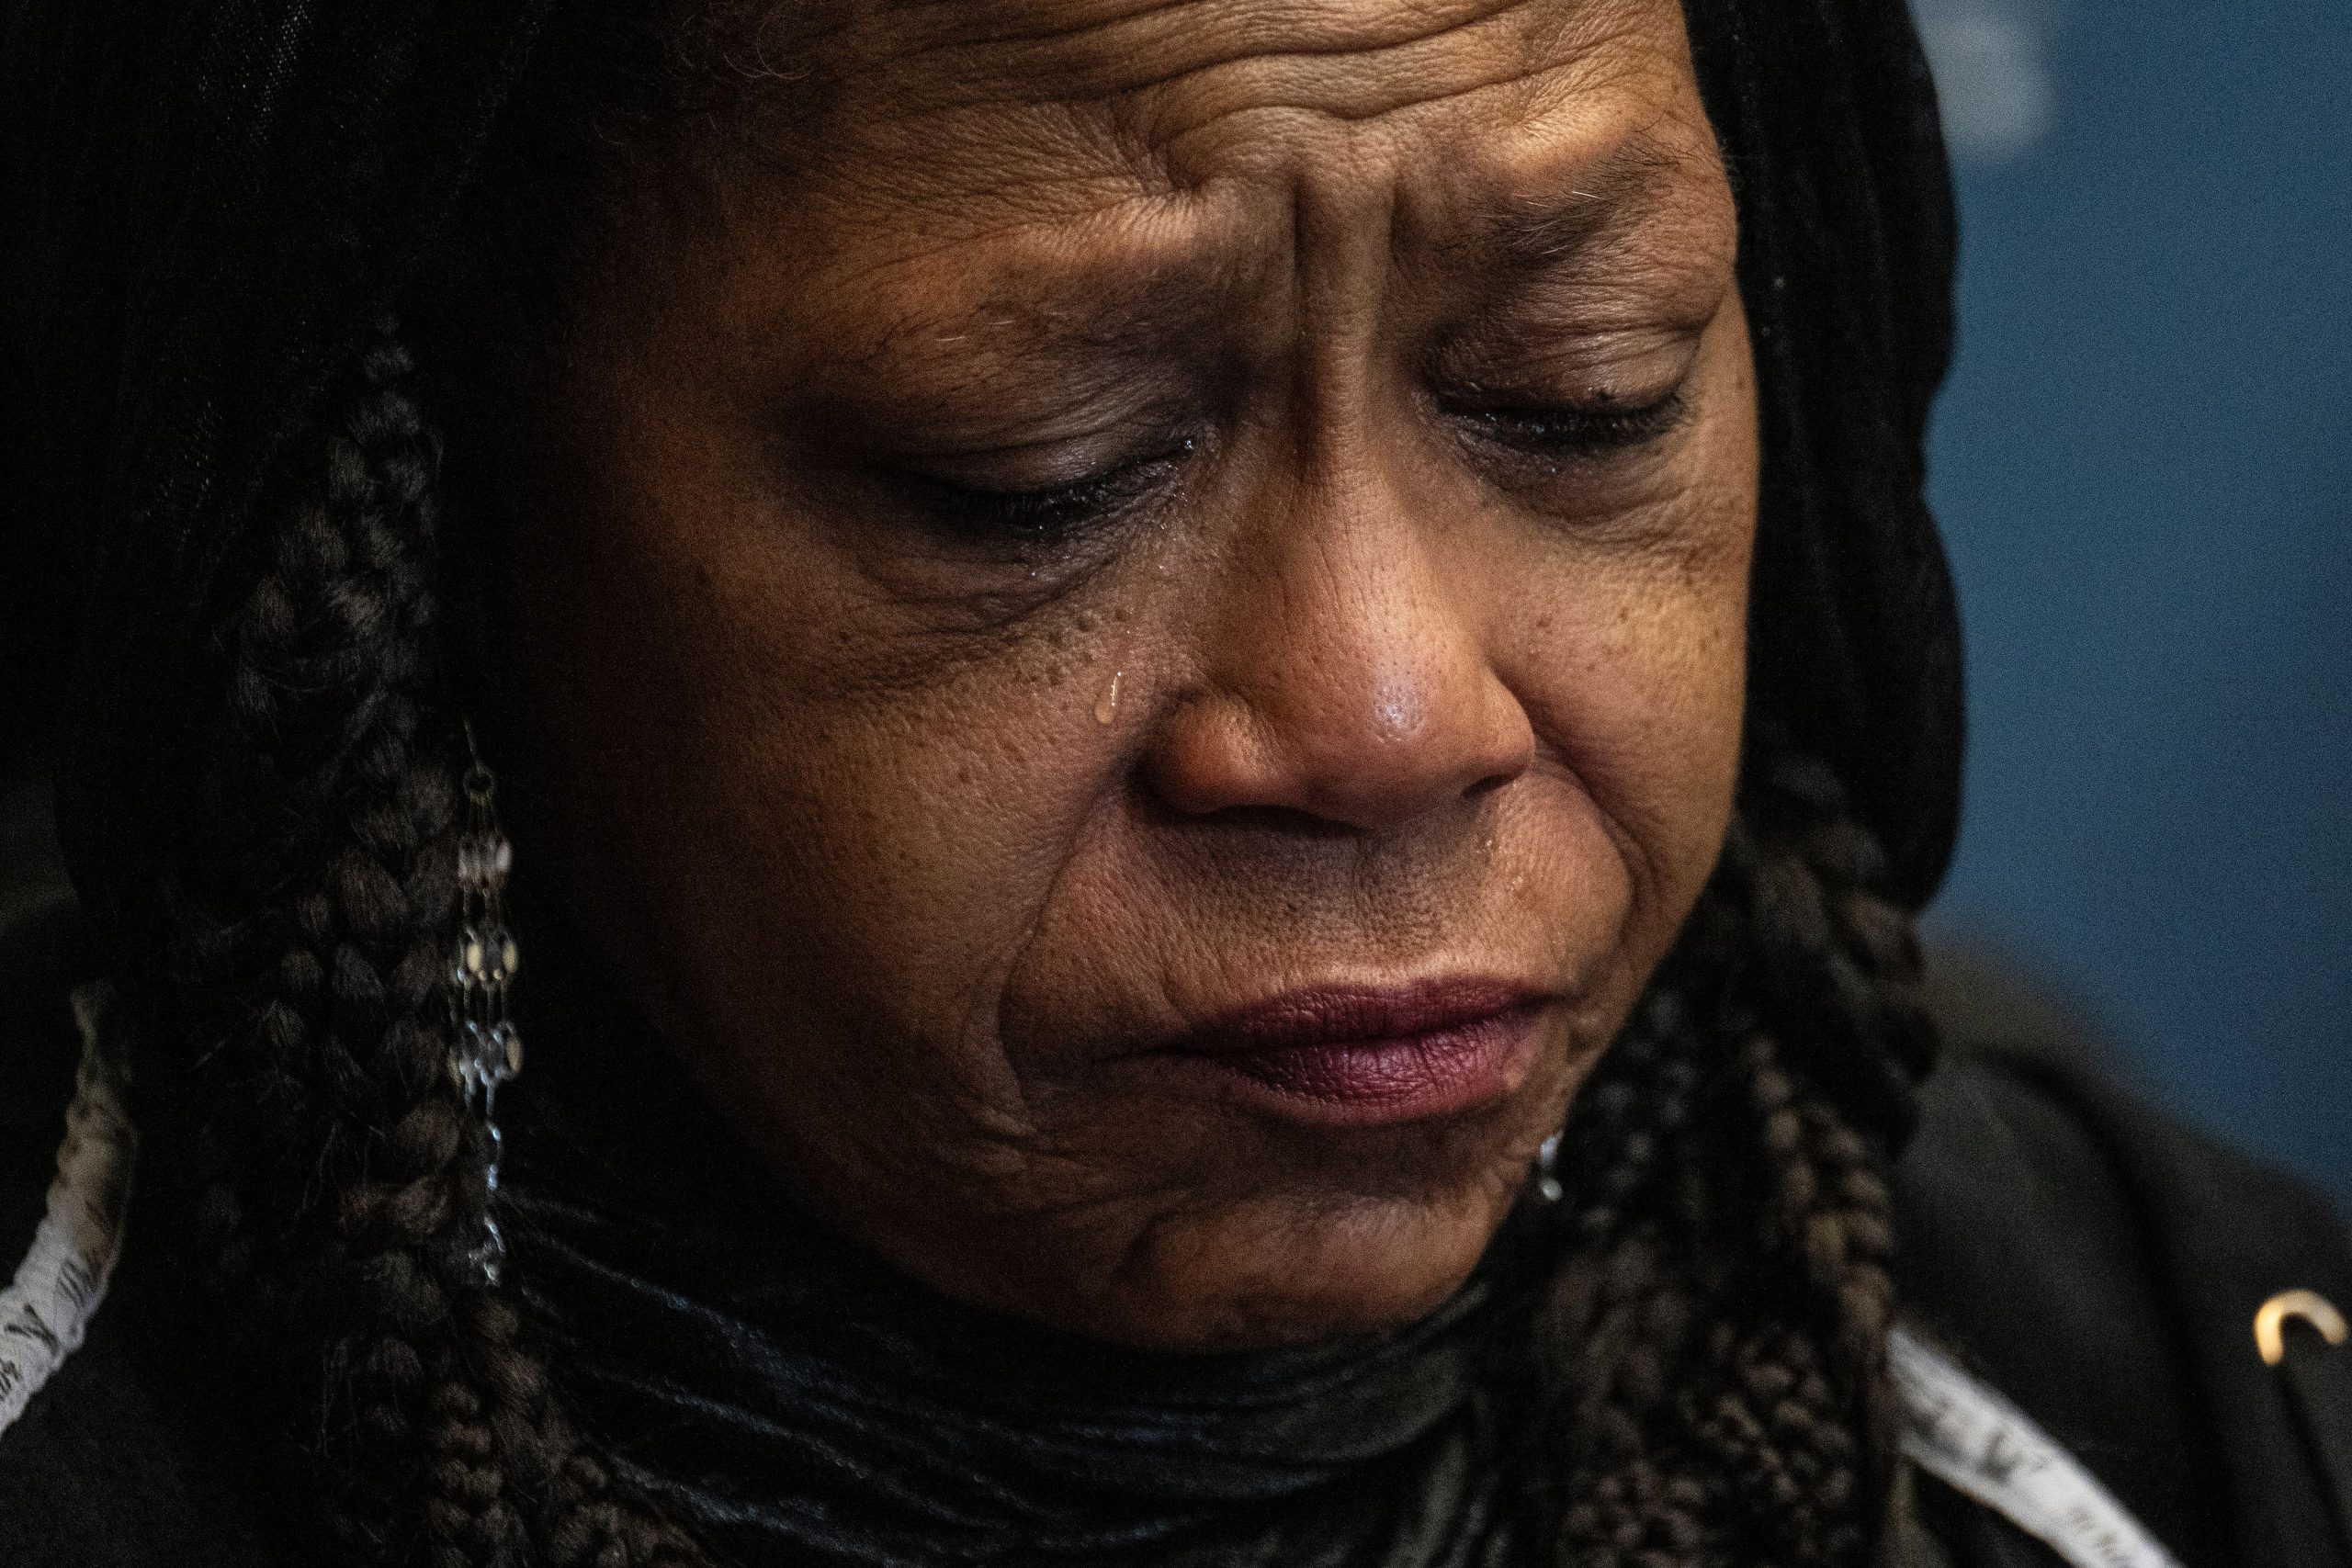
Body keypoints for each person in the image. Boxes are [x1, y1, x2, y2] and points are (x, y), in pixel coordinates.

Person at [1, 2, 2346, 1565]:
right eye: (1037, 473)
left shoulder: (2174, 1411)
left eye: (1576, 394)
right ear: (422, 512)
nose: (1388, 715)